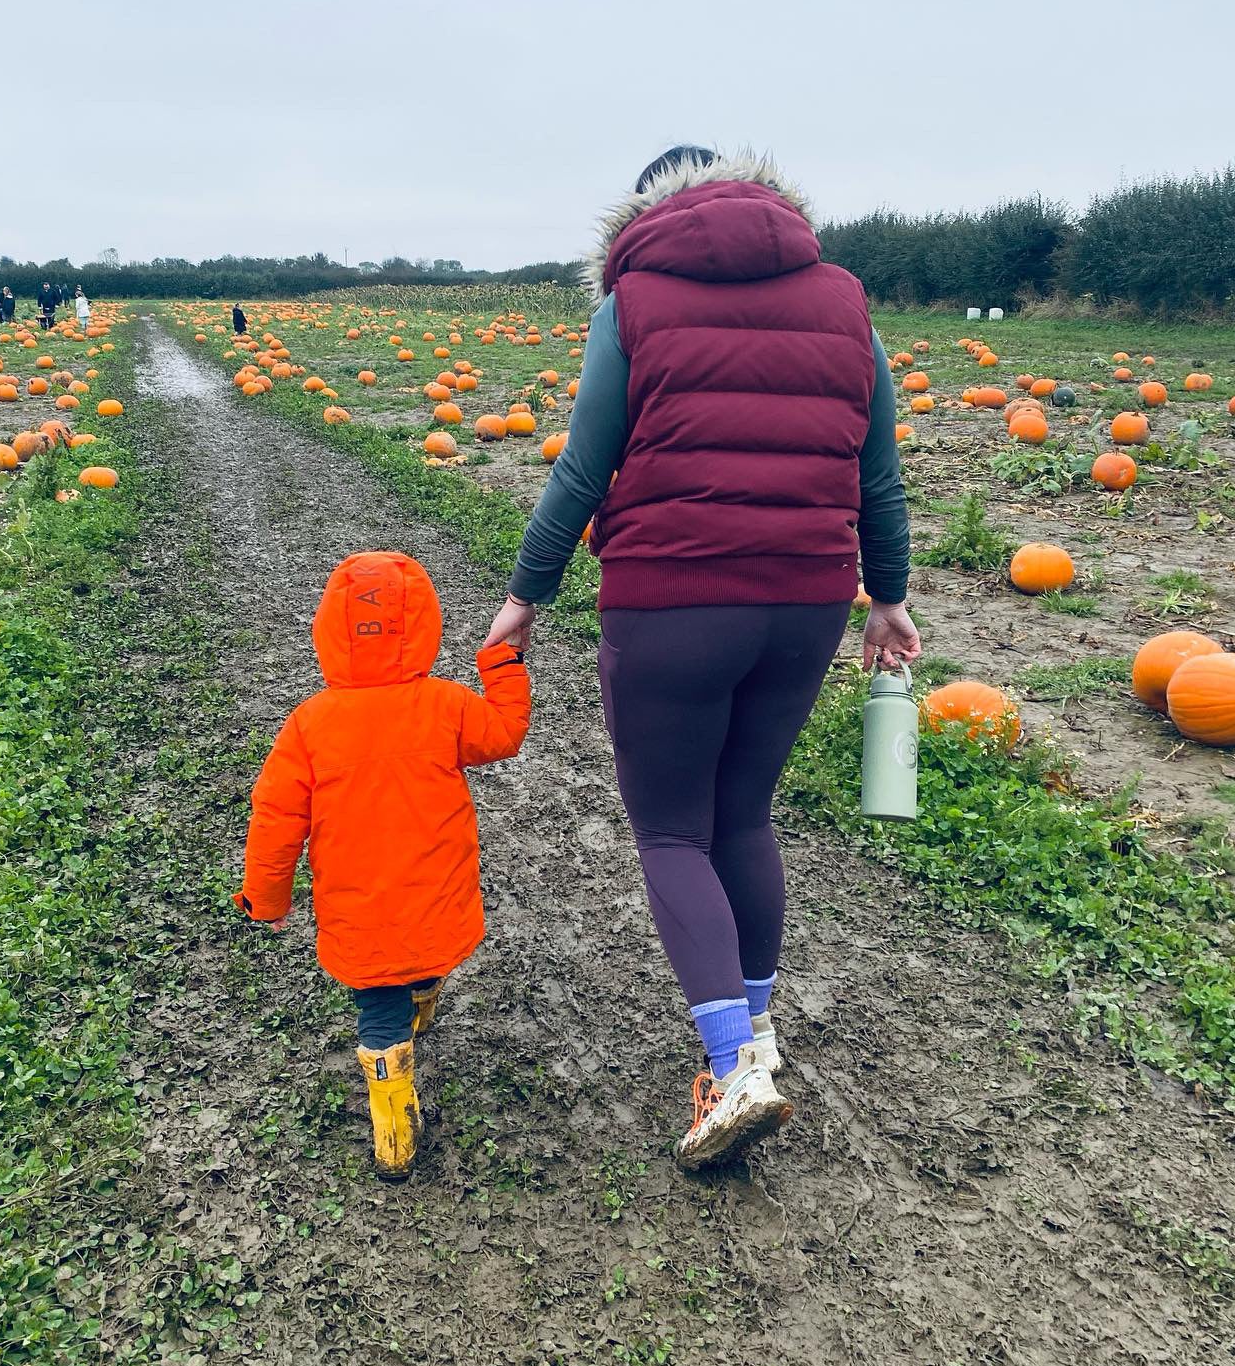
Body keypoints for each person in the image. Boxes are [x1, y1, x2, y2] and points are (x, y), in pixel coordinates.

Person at [485, 146, 919, 1171]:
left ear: (643, 210)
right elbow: (881, 474)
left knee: (673, 830)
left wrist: (524, 597)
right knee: (745, 816)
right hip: (806, 598)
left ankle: (733, 1065)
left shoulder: (633, 301)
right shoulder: (843, 299)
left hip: (674, 597)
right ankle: (755, 1042)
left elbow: (584, 469)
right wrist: (887, 599)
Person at [234, 551, 531, 1180]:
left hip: (360, 911)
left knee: (379, 1006)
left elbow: (275, 819)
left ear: (328, 633)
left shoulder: (309, 726)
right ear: (422, 625)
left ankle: (393, 1131)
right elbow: (505, 732)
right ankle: (419, 1007)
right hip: (433, 897)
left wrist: (268, 899)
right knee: (423, 956)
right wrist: (503, 661)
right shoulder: (445, 706)